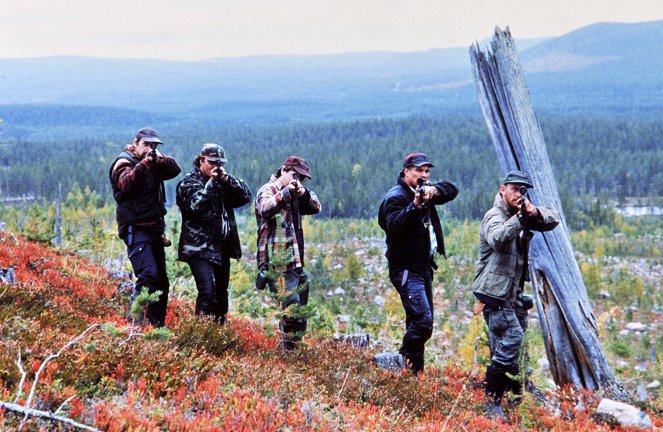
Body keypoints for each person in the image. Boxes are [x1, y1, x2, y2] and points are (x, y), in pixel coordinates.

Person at [472, 170, 560, 421]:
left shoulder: (519, 215)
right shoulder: (495, 215)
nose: (519, 194)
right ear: (502, 189)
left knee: (515, 347)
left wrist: (535, 213)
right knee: (512, 338)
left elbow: (553, 220)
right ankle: (491, 400)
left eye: (523, 190)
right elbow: (498, 238)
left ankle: (515, 394)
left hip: (513, 293)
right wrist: (521, 218)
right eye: (514, 188)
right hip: (494, 293)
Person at [378, 152, 459, 374]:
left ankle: (415, 375)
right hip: (405, 269)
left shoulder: (426, 191)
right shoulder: (395, 197)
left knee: (421, 323)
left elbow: (452, 189)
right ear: (406, 172)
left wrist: (435, 191)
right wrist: (414, 206)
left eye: (426, 171)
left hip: (423, 268)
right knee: (422, 321)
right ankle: (402, 367)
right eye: (418, 171)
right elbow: (392, 225)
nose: (423, 175)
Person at [109, 127, 181, 327]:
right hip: (135, 228)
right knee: (148, 275)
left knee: (161, 283)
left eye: (153, 145)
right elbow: (126, 184)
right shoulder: (123, 162)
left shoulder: (154, 162)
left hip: (154, 230)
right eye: (146, 144)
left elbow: (174, 170)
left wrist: (159, 158)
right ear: (135, 142)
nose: (150, 148)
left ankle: (155, 326)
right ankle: (134, 320)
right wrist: (145, 163)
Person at [176, 143, 251, 323]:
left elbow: (245, 196)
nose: (216, 167)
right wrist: (211, 185)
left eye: (220, 163)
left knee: (221, 296)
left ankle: (217, 337)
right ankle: (201, 334)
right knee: (208, 292)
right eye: (212, 163)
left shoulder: (222, 181)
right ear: (201, 160)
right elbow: (195, 206)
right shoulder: (189, 182)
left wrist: (227, 180)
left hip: (221, 247)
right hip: (198, 248)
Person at [254, 156, 321, 350]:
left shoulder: (296, 192)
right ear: (283, 170)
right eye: (295, 175)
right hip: (278, 263)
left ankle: (294, 351)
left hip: (295, 262)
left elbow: (316, 206)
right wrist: (285, 193)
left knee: (300, 313)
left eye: (301, 178)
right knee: (291, 310)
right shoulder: (268, 190)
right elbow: (265, 208)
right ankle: (290, 355)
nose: (297, 180)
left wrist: (301, 193)